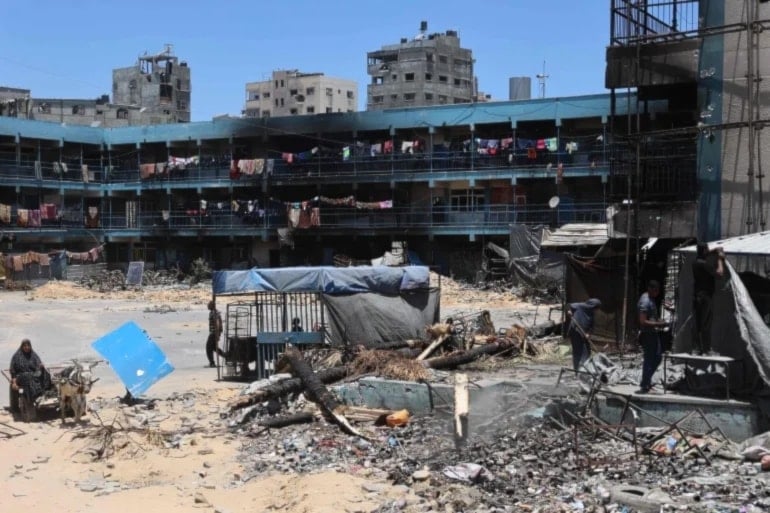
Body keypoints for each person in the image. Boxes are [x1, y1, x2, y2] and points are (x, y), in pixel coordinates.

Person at [692, 243, 726, 355]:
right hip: (706, 296)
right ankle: (706, 349)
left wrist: (714, 251)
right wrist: (720, 259)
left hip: (698, 295)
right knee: (706, 323)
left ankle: (697, 348)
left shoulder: (696, 262)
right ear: (704, 251)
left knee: (698, 322)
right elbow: (720, 274)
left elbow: (706, 255)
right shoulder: (704, 265)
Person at [638, 281, 668, 393]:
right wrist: (658, 324)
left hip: (652, 333)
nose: (657, 293)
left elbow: (651, 317)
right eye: (655, 291)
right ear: (650, 289)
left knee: (657, 357)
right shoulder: (645, 301)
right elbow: (643, 321)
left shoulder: (651, 299)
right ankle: (645, 385)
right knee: (649, 359)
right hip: (648, 334)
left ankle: (646, 381)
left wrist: (660, 321)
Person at [9, 338, 52, 405]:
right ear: (22, 346)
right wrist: (14, 382)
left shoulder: (33, 355)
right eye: (25, 346)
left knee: (46, 373)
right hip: (21, 376)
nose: (27, 347)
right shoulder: (16, 356)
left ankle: (46, 392)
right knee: (27, 377)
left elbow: (38, 364)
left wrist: (40, 367)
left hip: (33, 374)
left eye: (28, 346)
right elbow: (13, 370)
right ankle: (34, 396)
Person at [566, 298, 602, 373]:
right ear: (593, 306)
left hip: (584, 334)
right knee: (578, 351)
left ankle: (585, 369)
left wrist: (589, 333)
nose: (597, 310)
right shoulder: (580, 306)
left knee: (587, 351)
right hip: (575, 331)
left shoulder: (591, 313)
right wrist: (569, 311)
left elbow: (592, 326)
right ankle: (578, 370)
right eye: (596, 308)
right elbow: (568, 306)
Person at [206, 300, 222, 368]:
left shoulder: (214, 313)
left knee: (208, 347)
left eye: (209, 305)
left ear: (212, 306)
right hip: (214, 332)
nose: (207, 306)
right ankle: (227, 356)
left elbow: (217, 323)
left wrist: (217, 334)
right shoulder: (212, 312)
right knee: (214, 348)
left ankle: (212, 363)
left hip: (214, 333)